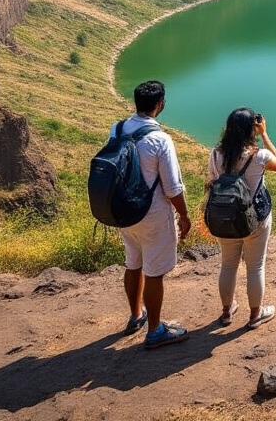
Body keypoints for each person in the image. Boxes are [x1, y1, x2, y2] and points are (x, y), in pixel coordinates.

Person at [117, 80, 192, 349]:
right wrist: (184, 216)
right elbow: (172, 187)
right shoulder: (160, 140)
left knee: (133, 263)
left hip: (124, 212)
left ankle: (136, 315)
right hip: (152, 214)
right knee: (154, 273)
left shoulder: (118, 129)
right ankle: (155, 330)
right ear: (160, 104)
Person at [208, 107, 276, 329]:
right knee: (255, 266)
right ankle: (255, 315)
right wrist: (264, 135)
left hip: (224, 217)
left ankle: (227, 311)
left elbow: (212, 181)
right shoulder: (258, 155)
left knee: (228, 265)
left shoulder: (216, 153)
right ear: (253, 128)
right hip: (255, 220)